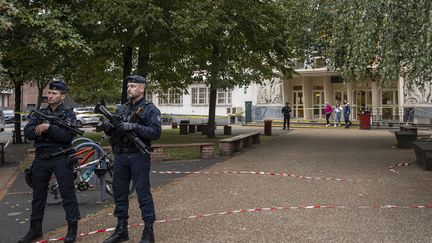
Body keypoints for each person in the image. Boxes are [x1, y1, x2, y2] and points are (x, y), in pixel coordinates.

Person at [102, 75, 161, 243]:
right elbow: (114, 131)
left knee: (143, 193)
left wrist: (134, 126)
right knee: (119, 193)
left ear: (142, 89)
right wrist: (108, 128)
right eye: (128, 86)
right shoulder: (122, 109)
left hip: (138, 156)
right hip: (120, 156)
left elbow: (156, 133)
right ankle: (121, 229)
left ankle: (148, 231)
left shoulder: (150, 109)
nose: (129, 89)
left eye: (133, 86)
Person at [20, 81, 80, 243]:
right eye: (49, 93)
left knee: (68, 195)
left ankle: (72, 230)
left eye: (54, 93)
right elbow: (28, 133)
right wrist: (45, 129)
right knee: (38, 196)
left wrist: (48, 128)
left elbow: (67, 136)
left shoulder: (69, 114)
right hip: (42, 159)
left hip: (62, 158)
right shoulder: (39, 113)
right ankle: (35, 230)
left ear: (62, 96)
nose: (50, 96)